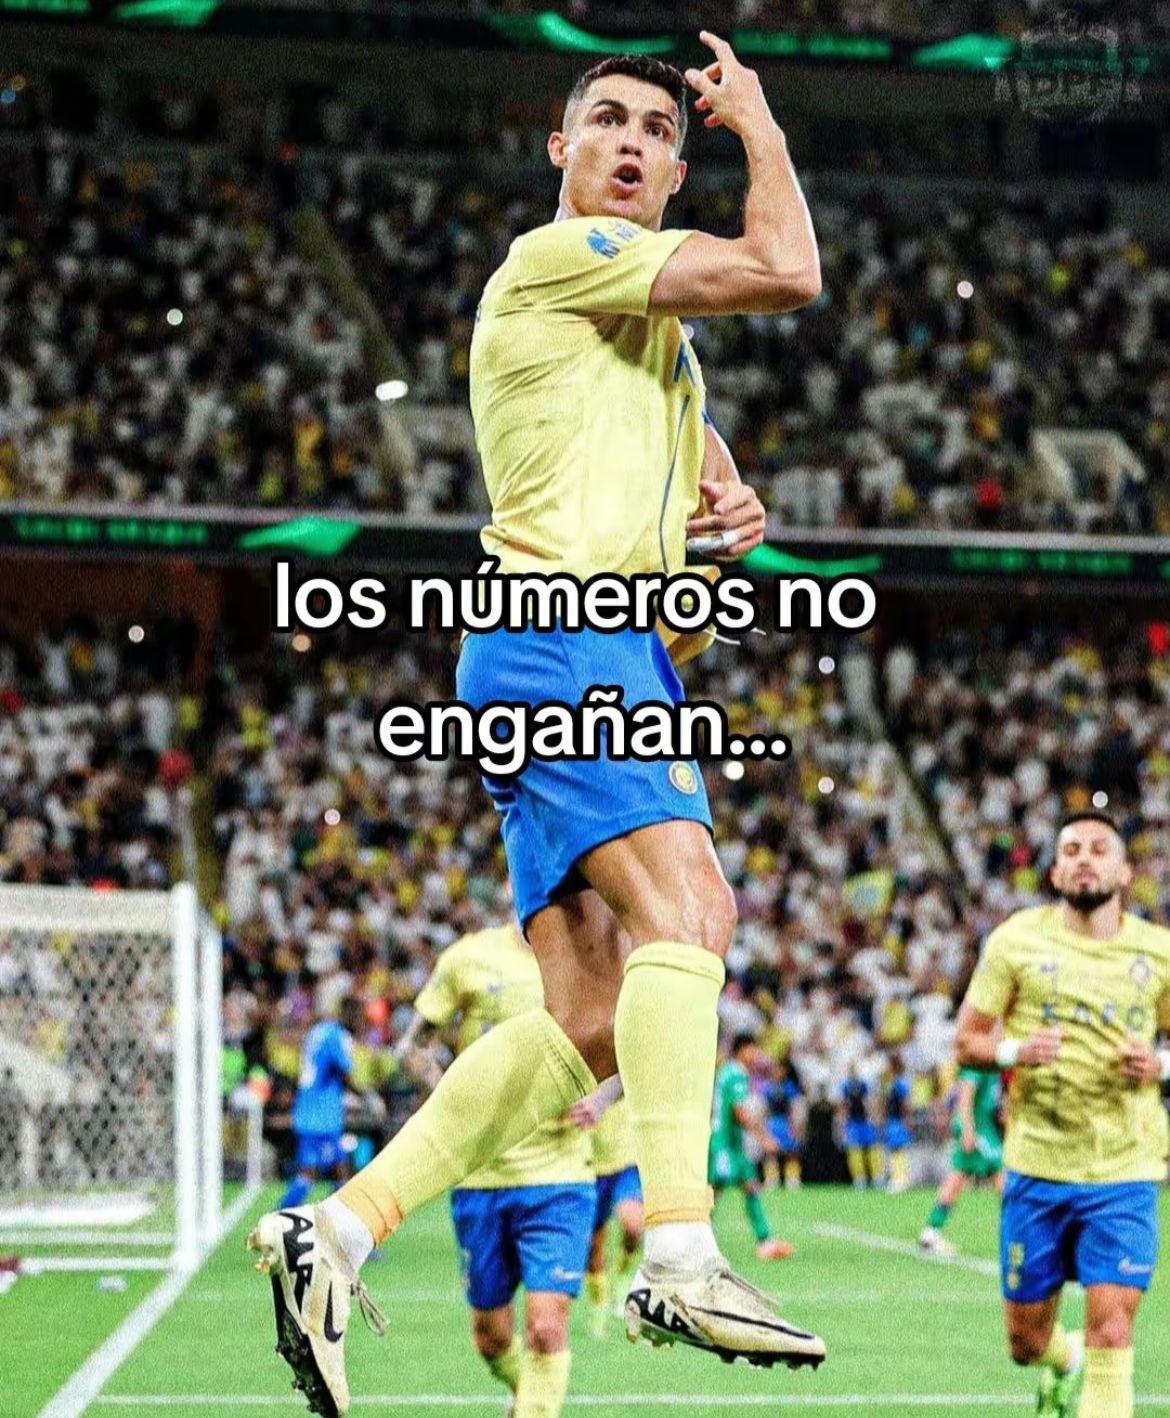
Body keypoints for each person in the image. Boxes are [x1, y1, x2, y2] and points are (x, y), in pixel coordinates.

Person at [249, 34, 824, 1414]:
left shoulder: (653, 349)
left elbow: (690, 534)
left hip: (574, 646)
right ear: (561, 151)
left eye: (656, 132)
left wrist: (722, 515)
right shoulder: (559, 255)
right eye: (606, 121)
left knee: (591, 1013)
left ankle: (337, 1230)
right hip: (564, 638)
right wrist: (758, 125)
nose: (631, 142)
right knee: (694, 911)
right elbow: (788, 269)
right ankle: (678, 1246)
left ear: (669, 175)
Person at [955, 811, 1170, 1418]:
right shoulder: (1015, 941)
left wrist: (1160, 1064)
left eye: (1099, 849)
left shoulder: (1158, 952)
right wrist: (1015, 1052)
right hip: (1038, 1167)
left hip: (1125, 1169)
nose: (1084, 860)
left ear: (1124, 871)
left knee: (1113, 1330)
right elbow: (966, 1041)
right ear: (1054, 872)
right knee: (1025, 1343)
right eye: (1071, 850)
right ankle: (1062, 1359)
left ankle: (1090, 1368)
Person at [395, 921, 596, 1418]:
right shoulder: (469, 957)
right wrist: (451, 1094)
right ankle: (528, 1397)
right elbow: (411, 1047)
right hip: (482, 1175)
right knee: (491, 1336)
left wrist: (603, 1095)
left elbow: (633, 1040)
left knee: (546, 1329)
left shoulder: (595, 955)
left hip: (560, 1174)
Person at [567, 1083, 644, 1338]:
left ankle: (623, 1278)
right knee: (593, 1244)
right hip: (589, 1161)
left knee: (633, 1226)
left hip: (626, 1157)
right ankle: (599, 1305)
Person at [709, 1034, 795, 1262]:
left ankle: (765, 1242)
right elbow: (739, 1111)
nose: (756, 1054)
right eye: (753, 1049)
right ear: (742, 1050)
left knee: (750, 1186)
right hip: (724, 1145)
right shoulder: (736, 1073)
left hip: (730, 1143)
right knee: (713, 1192)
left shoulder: (727, 1071)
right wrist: (764, 1138)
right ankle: (695, 1242)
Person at [278, 999, 366, 1210]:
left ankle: (282, 1216)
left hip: (307, 1109)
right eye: (360, 1019)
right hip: (323, 1115)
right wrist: (364, 1094)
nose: (362, 1025)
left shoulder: (318, 1031)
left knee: (330, 1169)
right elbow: (345, 1072)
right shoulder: (336, 1036)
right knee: (326, 1172)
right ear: (351, 1016)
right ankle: (281, 1216)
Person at [918, 1065, 1003, 1258]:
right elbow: (965, 1098)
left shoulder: (992, 1066)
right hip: (977, 1129)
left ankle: (930, 1233)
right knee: (1000, 1178)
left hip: (984, 1127)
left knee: (958, 1179)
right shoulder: (976, 1063)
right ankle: (1016, 1234)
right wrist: (967, 1130)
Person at [763, 1057, 804, 1191]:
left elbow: (794, 1106)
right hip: (772, 1122)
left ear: (784, 1071)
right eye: (775, 1069)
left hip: (786, 1122)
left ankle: (792, 1178)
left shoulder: (789, 1087)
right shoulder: (767, 1087)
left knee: (791, 1151)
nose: (777, 1072)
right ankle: (771, 1178)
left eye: (780, 1069)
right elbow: (765, 1108)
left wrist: (796, 1124)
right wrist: (763, 1125)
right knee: (770, 1152)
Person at [836, 1067, 880, 1190]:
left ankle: (876, 1177)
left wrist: (873, 1117)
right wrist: (842, 1120)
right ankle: (859, 1178)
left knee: (872, 1148)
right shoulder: (845, 1086)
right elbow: (843, 1104)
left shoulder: (864, 1085)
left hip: (865, 1121)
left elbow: (870, 1101)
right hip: (852, 1122)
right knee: (854, 1151)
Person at [880, 1051, 913, 1195]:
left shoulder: (900, 1083)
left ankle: (902, 1178)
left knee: (898, 1149)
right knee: (893, 1150)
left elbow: (905, 1104)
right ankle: (896, 1177)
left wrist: (907, 1120)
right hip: (891, 1121)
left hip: (898, 1121)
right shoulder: (890, 1083)